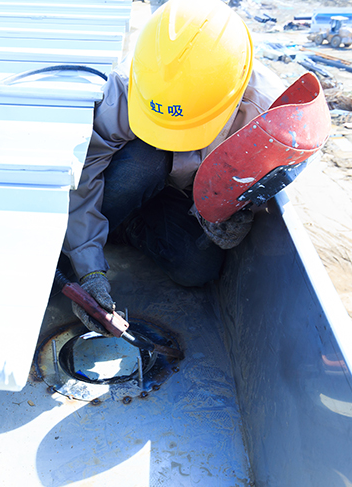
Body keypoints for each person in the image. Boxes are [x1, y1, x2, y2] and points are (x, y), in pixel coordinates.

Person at [62, 0, 288, 334]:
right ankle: (100, 231)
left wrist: (229, 215)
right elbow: (84, 178)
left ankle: (128, 227)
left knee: (196, 268)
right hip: (133, 174)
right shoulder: (128, 87)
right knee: (144, 163)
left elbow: (271, 180)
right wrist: (86, 271)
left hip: (184, 197)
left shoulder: (266, 117)